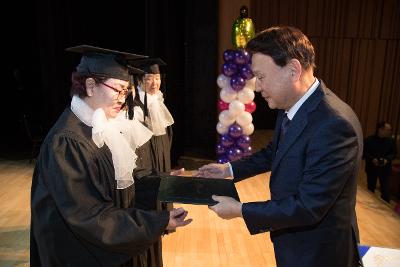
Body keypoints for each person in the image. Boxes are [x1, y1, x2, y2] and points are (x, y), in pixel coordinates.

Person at [198, 26, 363, 267]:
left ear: (293, 70)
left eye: (261, 77)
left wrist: (241, 210)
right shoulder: (293, 105)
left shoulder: (334, 125)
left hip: (318, 252)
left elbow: (308, 206)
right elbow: (274, 152)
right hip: (294, 241)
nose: (257, 87)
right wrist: (229, 170)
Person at [30, 45, 192, 267]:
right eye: (117, 89)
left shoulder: (100, 127)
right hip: (76, 254)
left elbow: (125, 184)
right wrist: (156, 222)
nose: (123, 99)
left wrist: (167, 183)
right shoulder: (67, 142)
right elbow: (90, 216)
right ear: (90, 86)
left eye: (126, 91)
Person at [130, 58, 174, 173]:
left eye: (157, 78)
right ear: (139, 81)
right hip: (147, 161)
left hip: (162, 155)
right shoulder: (135, 106)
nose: (155, 83)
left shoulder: (159, 101)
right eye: (149, 79)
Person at [363, 121, 397, 202]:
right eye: (388, 130)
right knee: (370, 190)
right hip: (372, 168)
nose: (390, 132)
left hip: (385, 169)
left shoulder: (391, 141)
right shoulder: (369, 140)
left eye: (390, 130)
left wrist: (387, 160)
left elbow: (394, 154)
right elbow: (364, 152)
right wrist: (372, 159)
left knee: (385, 192)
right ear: (380, 130)